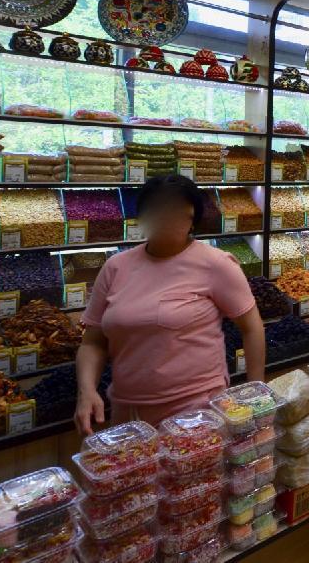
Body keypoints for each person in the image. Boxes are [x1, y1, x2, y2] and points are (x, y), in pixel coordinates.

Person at [74, 175, 266, 433]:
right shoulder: (115, 267)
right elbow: (93, 342)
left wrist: (256, 394)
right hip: (128, 412)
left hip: (197, 412)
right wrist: (86, 390)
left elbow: (252, 327)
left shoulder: (216, 264)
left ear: (193, 221)